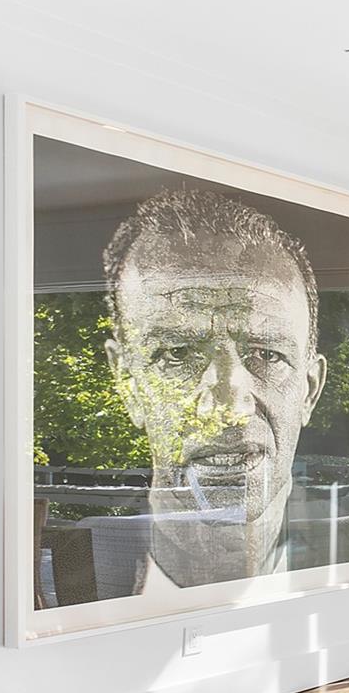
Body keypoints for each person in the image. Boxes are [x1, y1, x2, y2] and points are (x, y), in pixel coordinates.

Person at [102, 187, 330, 590]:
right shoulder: (70, 572)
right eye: (176, 353)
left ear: (310, 389)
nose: (229, 407)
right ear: (127, 381)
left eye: (266, 353)